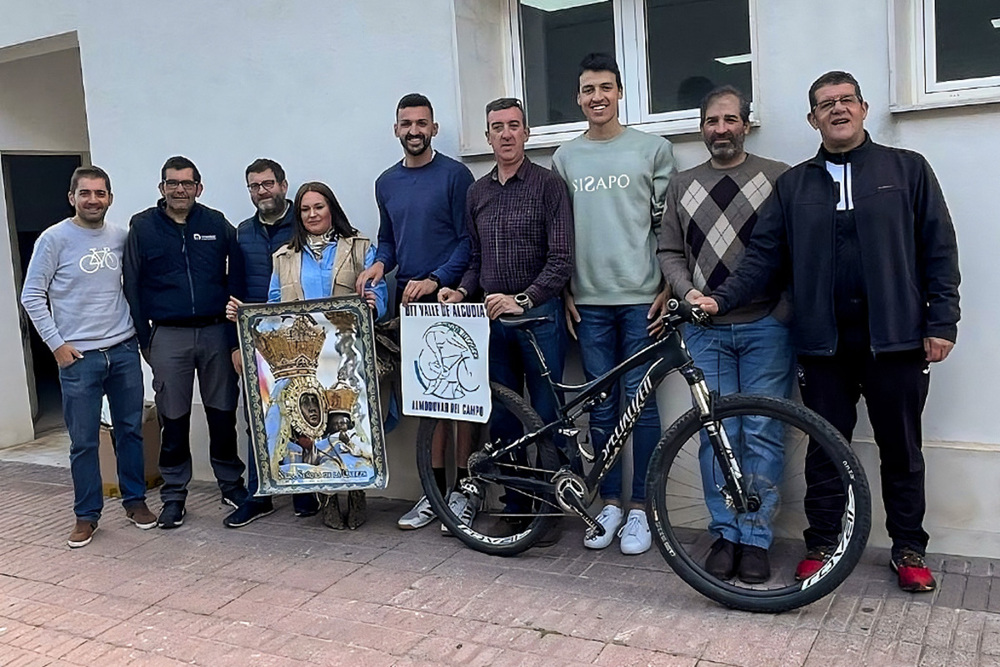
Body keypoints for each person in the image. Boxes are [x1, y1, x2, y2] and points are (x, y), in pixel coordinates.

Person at [695, 71, 961, 592]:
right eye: (825, 104)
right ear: (812, 118)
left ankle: (907, 548)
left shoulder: (906, 170)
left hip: (898, 339)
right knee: (824, 448)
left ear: (863, 108)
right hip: (822, 345)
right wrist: (720, 297)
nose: (837, 110)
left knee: (901, 449)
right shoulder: (794, 184)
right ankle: (822, 545)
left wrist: (942, 321)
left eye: (846, 101)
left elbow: (939, 249)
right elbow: (764, 258)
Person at [657, 86, 793, 583]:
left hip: (765, 330)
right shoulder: (682, 184)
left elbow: (795, 254)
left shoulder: (777, 177)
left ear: (746, 123)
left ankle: (755, 538)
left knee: (760, 432)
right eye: (712, 121)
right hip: (705, 330)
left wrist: (782, 313)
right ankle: (725, 532)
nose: (721, 129)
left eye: (730, 120)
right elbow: (669, 251)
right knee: (716, 435)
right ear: (701, 127)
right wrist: (686, 292)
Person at [551, 52, 675, 555]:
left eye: (605, 87)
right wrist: (563, 291)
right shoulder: (565, 158)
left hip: (643, 301)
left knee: (642, 410)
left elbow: (668, 228)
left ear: (621, 93)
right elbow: (558, 234)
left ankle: (642, 509)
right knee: (601, 411)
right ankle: (607, 502)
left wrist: (670, 287)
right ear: (578, 98)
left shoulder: (654, 150)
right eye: (587, 90)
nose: (597, 97)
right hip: (590, 304)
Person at [439, 97, 573, 531]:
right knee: (503, 416)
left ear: (527, 133)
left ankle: (551, 508)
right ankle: (516, 505)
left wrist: (526, 299)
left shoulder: (548, 185)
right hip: (493, 323)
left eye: (514, 125)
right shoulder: (477, 192)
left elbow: (561, 259)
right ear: (487, 136)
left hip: (540, 318)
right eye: (498, 127)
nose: (507, 134)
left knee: (546, 412)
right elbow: (476, 259)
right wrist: (461, 290)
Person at [354, 93, 477, 533]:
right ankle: (434, 492)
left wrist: (438, 277)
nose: (414, 131)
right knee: (428, 403)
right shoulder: (386, 182)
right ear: (396, 129)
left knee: (460, 400)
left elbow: (468, 241)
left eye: (421, 123)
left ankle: (464, 492)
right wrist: (379, 264)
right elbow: (388, 239)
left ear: (434, 128)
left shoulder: (456, 176)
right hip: (410, 305)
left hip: (452, 301)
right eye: (406, 123)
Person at [20, 166, 157, 548]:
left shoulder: (122, 237)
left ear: (109, 198)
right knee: (83, 441)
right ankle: (86, 515)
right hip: (79, 358)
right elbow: (32, 296)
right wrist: (57, 346)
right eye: (85, 193)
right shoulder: (54, 239)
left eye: (100, 193)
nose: (93, 200)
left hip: (124, 350)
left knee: (129, 431)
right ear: (72, 198)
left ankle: (135, 502)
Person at [123, 156, 250, 529]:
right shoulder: (143, 227)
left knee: (223, 414)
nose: (180, 189)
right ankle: (174, 495)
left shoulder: (216, 224)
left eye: (187, 183)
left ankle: (231, 484)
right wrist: (145, 339)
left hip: (215, 332)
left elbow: (237, 278)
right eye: (172, 183)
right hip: (168, 335)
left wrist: (233, 336)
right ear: (161, 188)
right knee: (174, 420)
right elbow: (131, 284)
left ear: (199, 187)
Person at [266, 181, 387, 530]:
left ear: (331, 208)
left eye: (318, 207)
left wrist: (372, 304)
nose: (312, 214)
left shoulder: (360, 246)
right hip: (308, 356)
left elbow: (378, 288)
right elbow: (274, 303)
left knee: (351, 422)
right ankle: (329, 495)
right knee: (316, 423)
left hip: (349, 352)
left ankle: (358, 489)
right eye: (305, 209)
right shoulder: (284, 256)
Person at [223, 158, 322, 528]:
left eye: (268, 184)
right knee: (258, 416)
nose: (262, 192)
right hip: (257, 338)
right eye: (254, 186)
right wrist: (235, 344)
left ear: (283, 184)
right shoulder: (242, 233)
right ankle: (259, 493)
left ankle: (304, 489)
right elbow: (234, 291)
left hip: (302, 337)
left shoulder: (304, 221)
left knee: (304, 410)